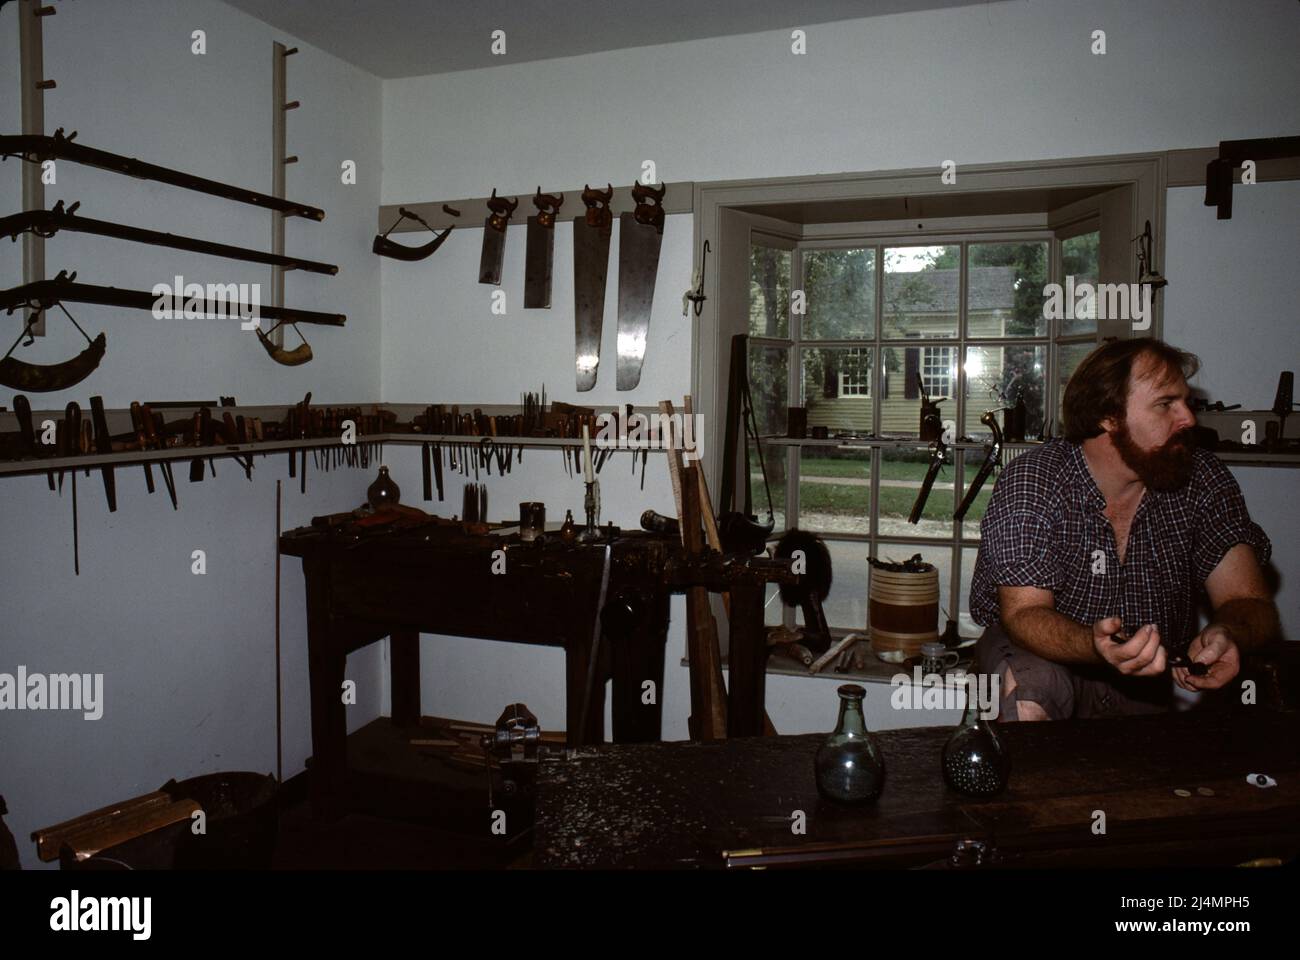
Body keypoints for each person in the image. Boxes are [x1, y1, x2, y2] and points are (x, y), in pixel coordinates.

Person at [969, 338, 1278, 720]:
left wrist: (1229, 632)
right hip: (1044, 657)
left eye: (1187, 402)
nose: (1188, 419)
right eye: (1165, 404)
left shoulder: (1203, 480)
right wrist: (1096, 645)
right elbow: (1024, 615)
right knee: (1032, 689)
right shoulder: (1034, 479)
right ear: (1108, 416)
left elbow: (1250, 601)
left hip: (1148, 676)